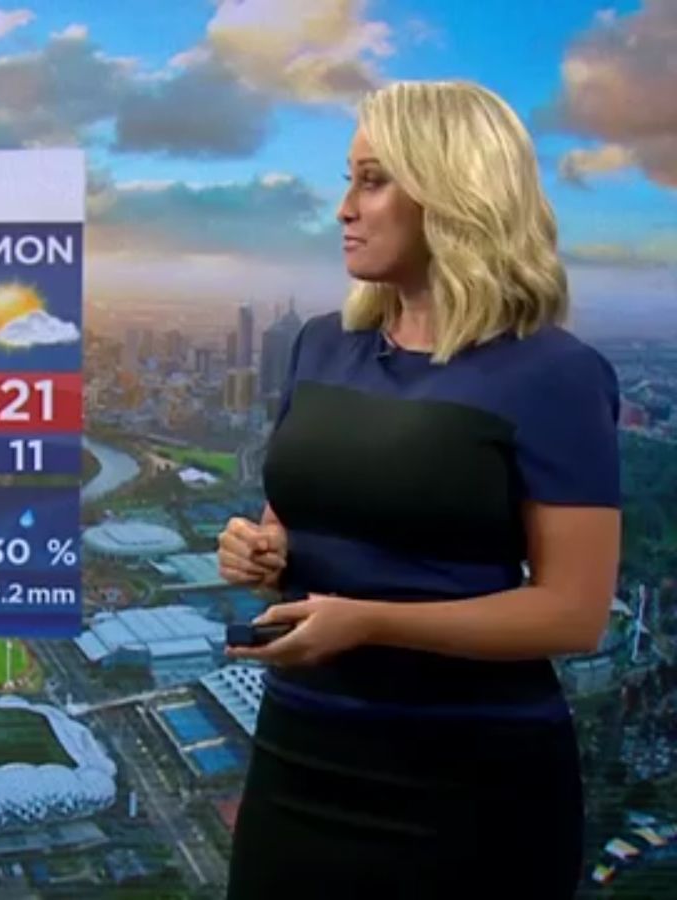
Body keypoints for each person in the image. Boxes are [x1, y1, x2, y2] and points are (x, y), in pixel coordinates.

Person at [219, 79, 621, 899]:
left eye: (373, 181)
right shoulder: (320, 346)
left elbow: (574, 614)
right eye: (349, 179)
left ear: (454, 193)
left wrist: (371, 622)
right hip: (298, 756)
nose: (344, 208)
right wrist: (261, 553)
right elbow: (297, 527)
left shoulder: (555, 374)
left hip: (470, 788)